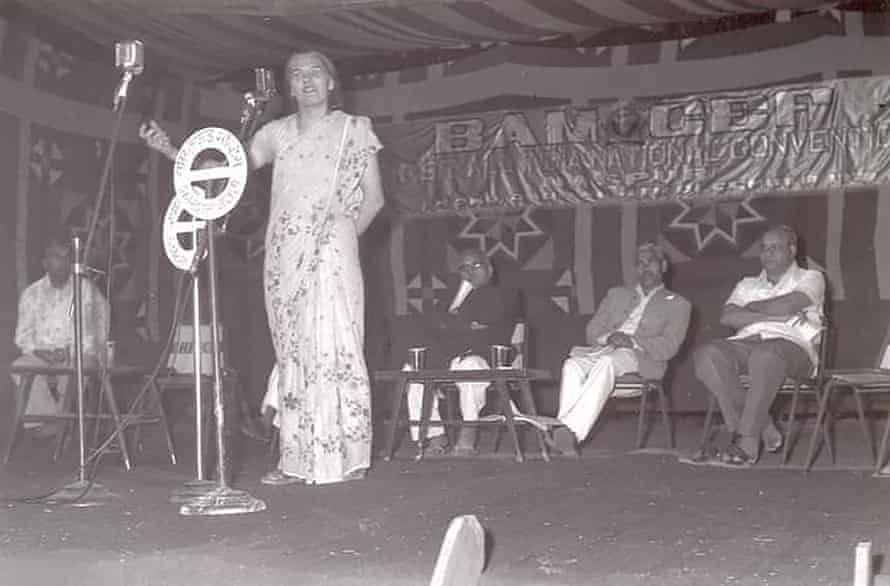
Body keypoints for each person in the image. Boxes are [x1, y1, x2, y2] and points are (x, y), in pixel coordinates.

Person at [140, 50, 384, 485]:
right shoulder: (275, 133)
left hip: (333, 252)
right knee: (292, 350)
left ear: (332, 83)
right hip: (283, 255)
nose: (306, 80)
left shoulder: (355, 130)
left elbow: (374, 199)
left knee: (338, 345)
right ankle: (294, 461)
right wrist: (171, 149)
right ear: (288, 88)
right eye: (296, 74)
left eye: (315, 72)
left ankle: (347, 457)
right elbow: (227, 171)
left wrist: (339, 240)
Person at [693, 225, 825, 467]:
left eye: (775, 248)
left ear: (792, 250)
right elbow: (727, 317)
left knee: (765, 355)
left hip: (794, 346)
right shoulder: (747, 283)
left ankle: (746, 441)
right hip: (747, 343)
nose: (767, 254)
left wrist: (750, 308)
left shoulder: (811, 278)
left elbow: (789, 305)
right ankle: (763, 426)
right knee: (707, 355)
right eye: (764, 248)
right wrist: (773, 316)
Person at [550, 243, 691, 456]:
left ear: (663, 266)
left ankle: (567, 432)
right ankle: (565, 434)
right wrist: (609, 337)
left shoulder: (678, 304)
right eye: (640, 264)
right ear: (635, 269)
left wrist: (632, 341)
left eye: (651, 262)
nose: (645, 268)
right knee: (572, 364)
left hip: (641, 360)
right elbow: (592, 330)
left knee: (608, 362)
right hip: (604, 351)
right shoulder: (616, 294)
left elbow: (669, 347)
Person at [404, 248, 521, 455]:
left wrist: (450, 323)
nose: (470, 271)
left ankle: (469, 430)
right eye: (464, 267)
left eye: (476, 265)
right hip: (447, 356)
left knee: (470, 366)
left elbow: (484, 317)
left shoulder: (505, 294)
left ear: (490, 269)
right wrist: (463, 321)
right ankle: (434, 434)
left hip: (483, 356)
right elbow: (429, 323)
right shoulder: (450, 296)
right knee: (412, 370)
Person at [11, 236, 109, 437]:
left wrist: (68, 353)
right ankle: (48, 421)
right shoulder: (31, 294)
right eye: (56, 257)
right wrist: (41, 352)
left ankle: (61, 423)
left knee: (75, 370)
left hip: (77, 354)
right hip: (41, 355)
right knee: (19, 368)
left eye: (67, 258)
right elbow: (22, 336)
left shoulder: (85, 290)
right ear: (45, 262)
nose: (63, 263)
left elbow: (94, 333)